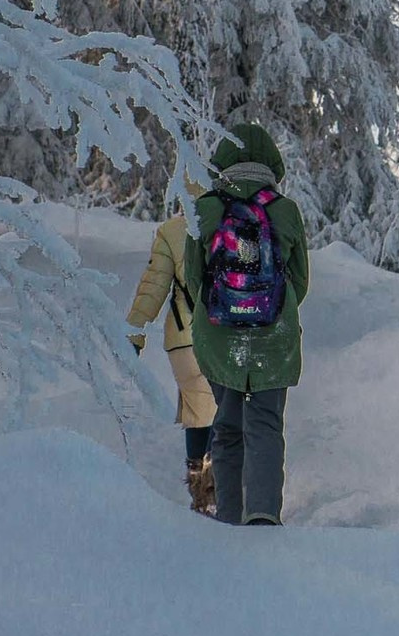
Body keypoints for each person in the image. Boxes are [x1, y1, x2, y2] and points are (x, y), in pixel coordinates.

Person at [185, 121, 309, 526]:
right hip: (273, 338)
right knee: (266, 424)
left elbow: (193, 278)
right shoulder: (286, 211)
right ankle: (262, 517)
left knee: (227, 426)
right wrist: (267, 309)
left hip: (220, 337)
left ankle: (229, 518)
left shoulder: (204, 209)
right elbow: (300, 282)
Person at [128, 184, 219, 515]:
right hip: (224, 338)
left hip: (184, 340)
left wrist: (134, 334)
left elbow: (152, 289)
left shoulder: (171, 231)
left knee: (198, 415)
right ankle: (218, 492)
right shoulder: (228, 223)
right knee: (225, 414)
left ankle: (200, 494)